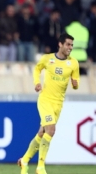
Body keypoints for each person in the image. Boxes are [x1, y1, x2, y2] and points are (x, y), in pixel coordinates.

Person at [18, 33, 80, 174]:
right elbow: (37, 69)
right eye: (68, 44)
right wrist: (37, 82)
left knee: (42, 132)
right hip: (45, 100)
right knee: (50, 130)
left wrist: (75, 84)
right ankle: (40, 167)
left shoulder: (74, 63)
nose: (70, 47)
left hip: (58, 103)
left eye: (72, 45)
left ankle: (25, 160)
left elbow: (76, 84)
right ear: (60, 44)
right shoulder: (48, 59)